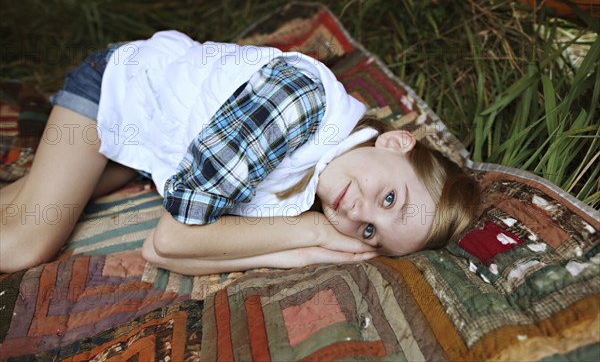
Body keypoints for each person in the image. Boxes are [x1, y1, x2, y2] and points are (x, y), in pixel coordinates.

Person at [0, 31, 480, 275]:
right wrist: (309, 231)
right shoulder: (295, 103)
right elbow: (171, 238)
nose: (358, 215)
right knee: (25, 244)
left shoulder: (329, 173)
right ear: (395, 143)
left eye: (371, 232)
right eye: (391, 198)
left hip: (154, 141)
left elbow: (158, 254)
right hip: (117, 92)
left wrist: (301, 254)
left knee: (32, 202)